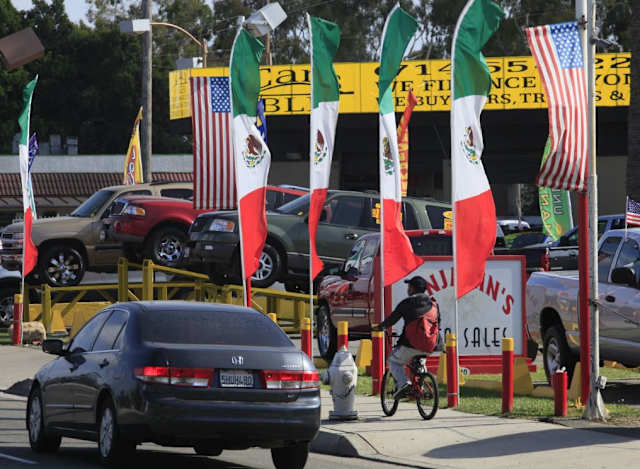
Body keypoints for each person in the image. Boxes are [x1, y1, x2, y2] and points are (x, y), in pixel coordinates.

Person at [371, 275, 434, 399]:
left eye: (409, 286)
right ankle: (421, 387)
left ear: (413, 289)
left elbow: (392, 319)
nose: (408, 288)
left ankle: (403, 384)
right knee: (419, 361)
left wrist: (379, 327)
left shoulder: (407, 303)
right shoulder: (433, 303)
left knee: (393, 361)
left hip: (411, 344)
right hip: (430, 344)